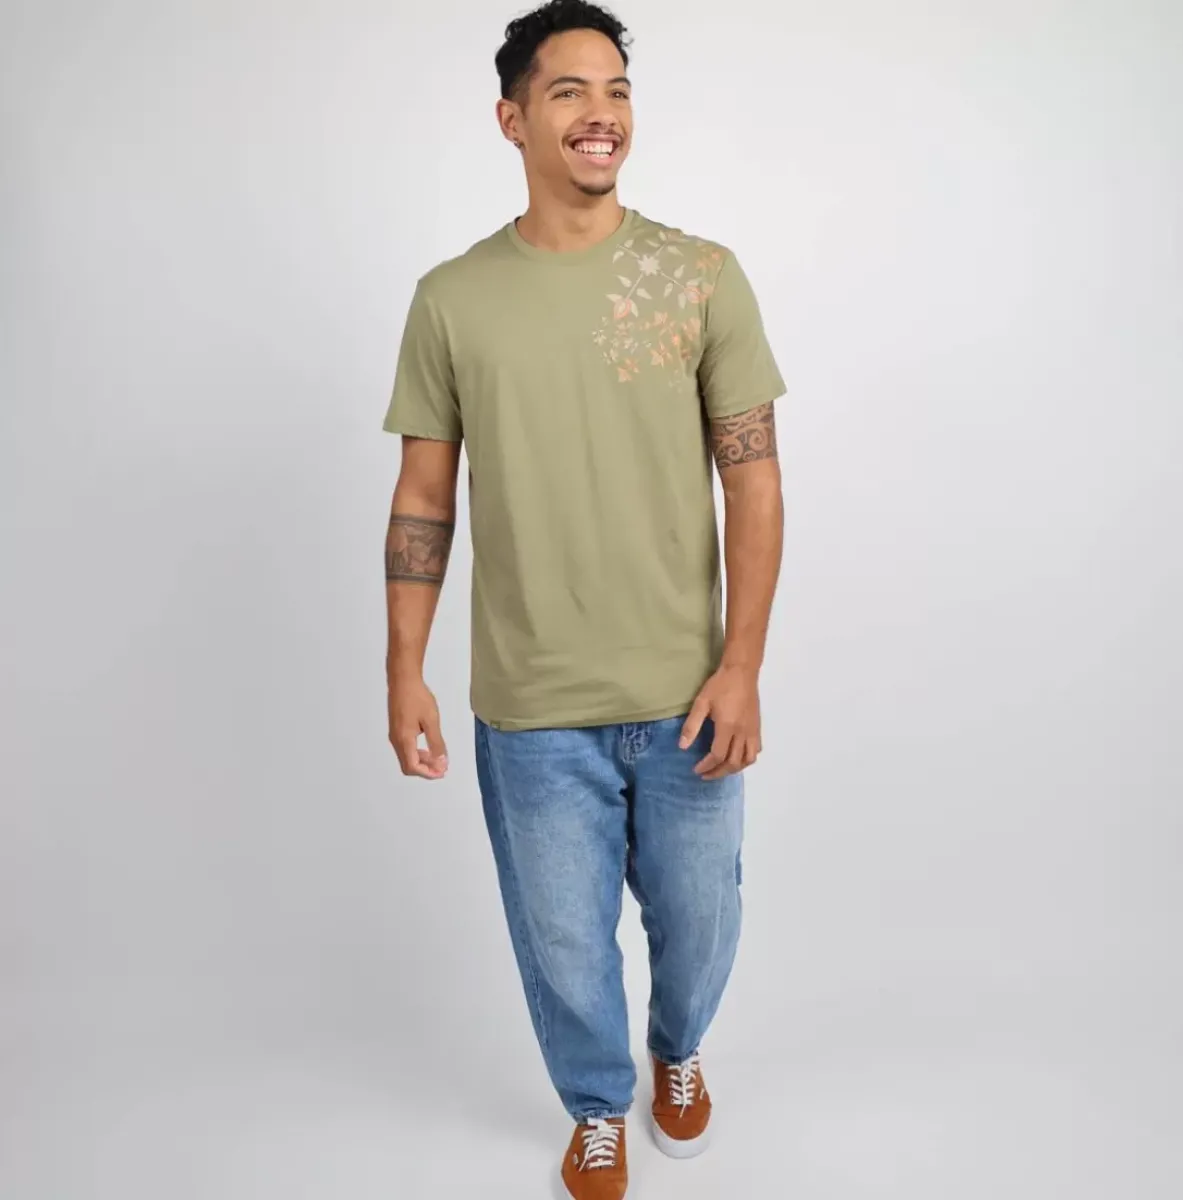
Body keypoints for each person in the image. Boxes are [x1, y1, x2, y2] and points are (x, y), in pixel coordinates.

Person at [382, 2, 785, 1195]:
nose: (601, 113)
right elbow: (422, 497)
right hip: (532, 703)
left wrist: (743, 665)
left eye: (616, 90)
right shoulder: (453, 299)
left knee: (701, 924)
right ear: (512, 119)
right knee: (562, 945)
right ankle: (599, 1104)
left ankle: (678, 1049)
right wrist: (403, 668)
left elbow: (754, 482)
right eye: (568, 91)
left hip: (688, 693)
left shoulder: (699, 276)